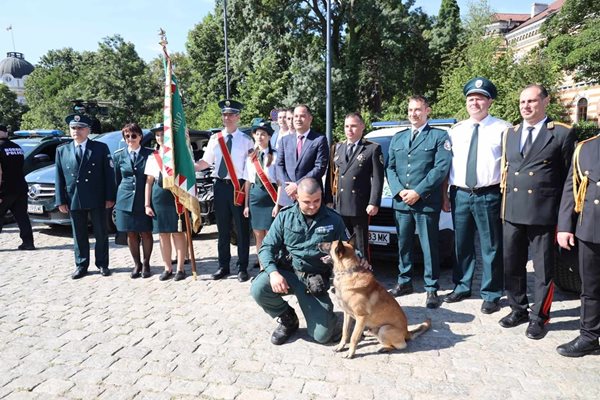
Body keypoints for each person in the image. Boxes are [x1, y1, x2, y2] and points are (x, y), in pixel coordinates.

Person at [499, 84, 576, 340]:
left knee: (543, 269)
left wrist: (565, 218)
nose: (526, 106)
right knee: (512, 263)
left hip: (543, 212)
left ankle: (540, 317)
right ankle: (518, 308)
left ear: (546, 102)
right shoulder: (510, 133)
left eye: (532, 101)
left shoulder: (561, 134)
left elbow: (568, 180)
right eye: (522, 102)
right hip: (512, 209)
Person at [442, 77, 511, 314]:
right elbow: (447, 167)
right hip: (460, 193)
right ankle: (461, 286)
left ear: (489, 102)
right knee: (461, 244)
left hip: (489, 194)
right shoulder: (456, 131)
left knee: (491, 245)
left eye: (480, 99)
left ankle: (492, 293)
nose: (474, 103)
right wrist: (445, 195)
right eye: (471, 99)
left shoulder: (503, 129)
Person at [250, 178, 347, 345]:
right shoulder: (285, 217)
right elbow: (266, 248)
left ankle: (329, 318)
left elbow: (347, 248)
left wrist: (360, 260)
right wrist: (273, 273)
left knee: (322, 336)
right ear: (296, 197)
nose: (312, 206)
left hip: (313, 280)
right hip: (288, 273)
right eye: (307, 202)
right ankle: (288, 318)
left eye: (317, 201)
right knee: (259, 288)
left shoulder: (334, 219)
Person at [386, 95, 452, 308]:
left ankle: (431, 288)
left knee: (429, 245)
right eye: (410, 110)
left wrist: (418, 191)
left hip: (425, 202)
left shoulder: (439, 137)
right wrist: (399, 191)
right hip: (402, 202)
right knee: (403, 244)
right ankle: (404, 281)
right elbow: (391, 167)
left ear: (427, 111)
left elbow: (441, 168)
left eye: (418, 110)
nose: (413, 114)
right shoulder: (398, 137)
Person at [195, 99, 254, 282]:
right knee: (222, 229)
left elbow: (250, 167)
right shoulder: (215, 139)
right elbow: (205, 162)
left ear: (238, 117)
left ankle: (242, 267)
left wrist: (246, 192)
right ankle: (223, 266)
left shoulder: (245, 140)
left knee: (242, 230)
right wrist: (189, 165)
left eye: (231, 114)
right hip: (220, 186)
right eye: (224, 114)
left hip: (239, 187)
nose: (227, 118)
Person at [55, 114, 116, 279]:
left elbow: (109, 174)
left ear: (88, 130)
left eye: (80, 128)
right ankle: (81, 265)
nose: (76, 131)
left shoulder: (100, 148)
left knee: (101, 232)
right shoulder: (62, 150)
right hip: (74, 196)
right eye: (73, 128)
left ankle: (102, 264)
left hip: (97, 196)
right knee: (79, 233)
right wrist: (60, 199)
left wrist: (110, 197)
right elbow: (59, 176)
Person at [556, 134, 600, 357]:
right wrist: (564, 226)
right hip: (590, 228)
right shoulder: (585, 148)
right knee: (590, 288)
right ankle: (589, 336)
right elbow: (570, 188)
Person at [325, 112, 384, 260]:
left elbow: (378, 178)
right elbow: (330, 176)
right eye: (346, 126)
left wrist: (374, 202)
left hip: (359, 204)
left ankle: (364, 275)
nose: (349, 130)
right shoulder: (337, 148)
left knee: (360, 245)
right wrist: (328, 199)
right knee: (341, 244)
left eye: (353, 126)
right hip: (340, 204)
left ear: (362, 127)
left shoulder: (371, 149)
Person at [144, 124, 188, 281]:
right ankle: (167, 267)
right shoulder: (152, 156)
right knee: (163, 234)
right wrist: (147, 204)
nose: (160, 137)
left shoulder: (177, 155)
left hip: (175, 195)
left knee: (177, 232)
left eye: (163, 134)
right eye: (157, 135)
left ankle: (181, 268)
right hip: (159, 195)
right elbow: (149, 181)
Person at [113, 123, 154, 279]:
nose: (131, 139)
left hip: (144, 198)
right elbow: (117, 178)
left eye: (134, 136)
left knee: (146, 232)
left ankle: (146, 263)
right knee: (131, 233)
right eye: (127, 136)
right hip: (125, 198)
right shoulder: (118, 155)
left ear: (140, 137)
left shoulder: (150, 154)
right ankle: (137, 264)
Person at [276, 104, 329, 207]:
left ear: (310, 118)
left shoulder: (319, 140)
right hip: (288, 196)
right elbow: (279, 165)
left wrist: (297, 185)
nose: (298, 119)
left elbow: (319, 168)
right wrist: (289, 187)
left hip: (310, 197)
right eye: (296, 116)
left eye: (302, 116)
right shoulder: (284, 140)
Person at [243, 122, 278, 270]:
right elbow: (248, 182)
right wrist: (246, 205)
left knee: (270, 235)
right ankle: (263, 267)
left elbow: (280, 182)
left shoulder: (275, 155)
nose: (260, 137)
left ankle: (273, 266)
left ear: (269, 137)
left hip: (271, 196)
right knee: (258, 235)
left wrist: (278, 204)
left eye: (263, 134)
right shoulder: (251, 157)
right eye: (257, 134)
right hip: (255, 197)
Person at [0, 124, 35, 250]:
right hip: (20, 187)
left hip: (5, 189)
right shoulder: (17, 147)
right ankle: (28, 242)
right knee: (22, 216)